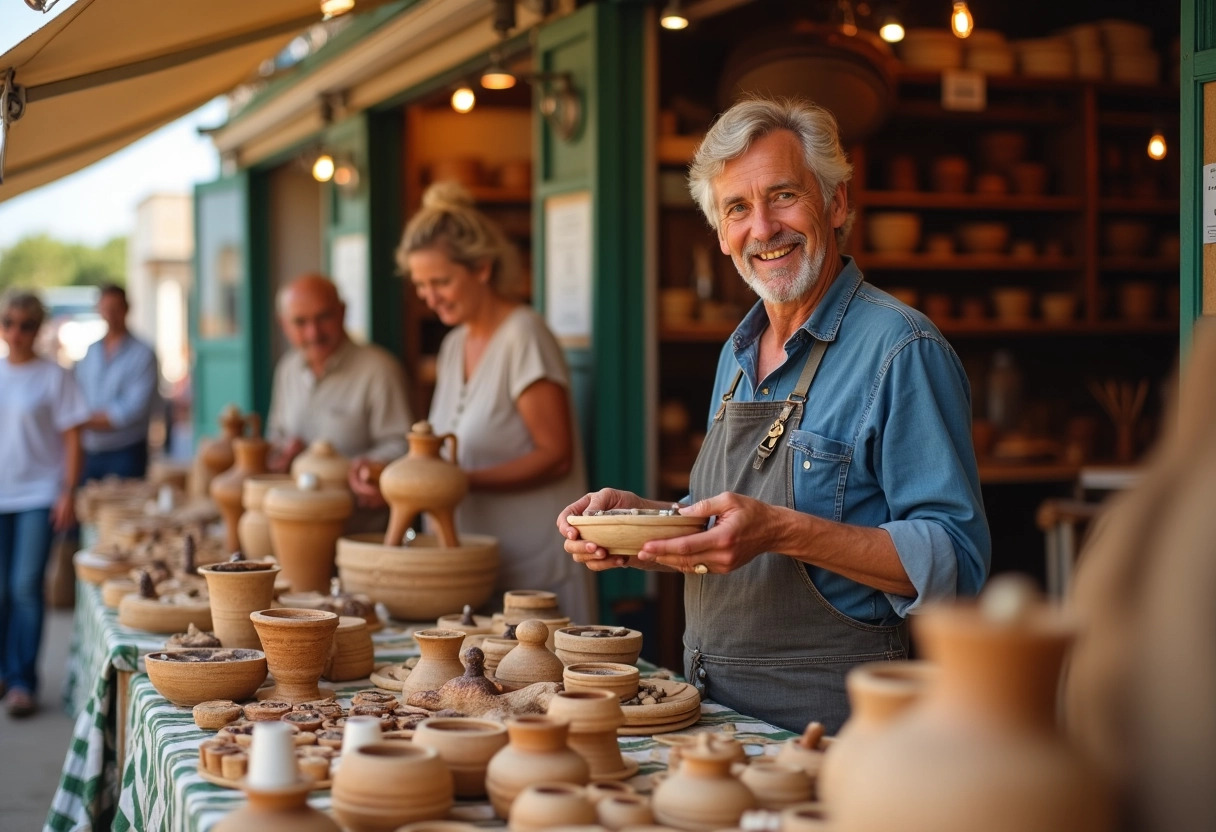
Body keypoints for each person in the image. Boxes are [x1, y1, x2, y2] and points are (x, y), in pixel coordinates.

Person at [558, 97, 990, 734]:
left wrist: (783, 531)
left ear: (836, 204)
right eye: (737, 208)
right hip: (711, 715)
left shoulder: (902, 350)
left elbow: (957, 560)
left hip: (835, 729)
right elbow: (734, 525)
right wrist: (644, 528)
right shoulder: (735, 355)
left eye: (783, 195)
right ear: (721, 230)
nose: (762, 229)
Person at [355, 181, 596, 624]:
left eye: (441, 281)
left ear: (482, 267)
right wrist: (391, 476)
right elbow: (439, 454)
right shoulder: (453, 345)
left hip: (531, 569)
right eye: (421, 285)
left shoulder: (525, 335)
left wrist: (455, 482)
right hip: (466, 570)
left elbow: (556, 456)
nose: (430, 297)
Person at [0, 290, 89, 717]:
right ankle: (4, 670)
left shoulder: (54, 376)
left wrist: (68, 491)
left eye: (26, 325)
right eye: (9, 322)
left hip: (37, 494)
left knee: (24, 586)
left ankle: (22, 682)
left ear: (38, 329)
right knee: (0, 590)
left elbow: (73, 437)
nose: (16, 333)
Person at [266, 274, 413, 473]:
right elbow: (276, 433)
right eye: (300, 322)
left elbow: (402, 445)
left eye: (323, 317)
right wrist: (283, 451)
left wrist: (359, 467)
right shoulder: (287, 369)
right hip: (294, 499)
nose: (314, 333)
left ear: (343, 312)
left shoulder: (379, 370)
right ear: (283, 324)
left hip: (355, 500)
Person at [75, 284, 160, 481]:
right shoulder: (91, 351)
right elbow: (79, 391)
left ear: (126, 309)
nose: (110, 315)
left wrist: (83, 420)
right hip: (90, 450)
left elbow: (133, 409)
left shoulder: (143, 353)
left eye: (116, 309)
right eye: (106, 309)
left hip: (126, 450)